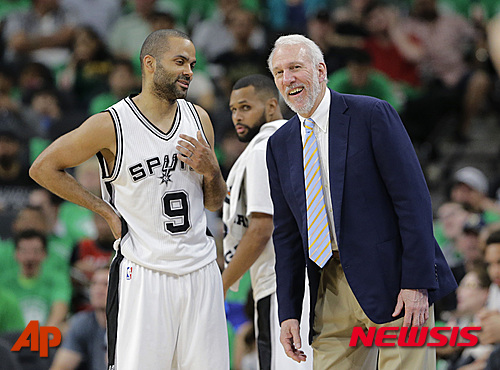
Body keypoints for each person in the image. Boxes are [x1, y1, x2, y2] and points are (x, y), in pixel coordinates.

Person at [29, 29, 229, 369]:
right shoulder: (111, 124)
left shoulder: (200, 119)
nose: (189, 71)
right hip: (144, 272)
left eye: (193, 64)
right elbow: (43, 167)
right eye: (179, 62)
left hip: (201, 270)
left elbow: (213, 203)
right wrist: (104, 210)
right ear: (149, 64)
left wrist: (212, 171)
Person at [265, 34, 457, 369]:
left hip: (394, 280)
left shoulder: (371, 114)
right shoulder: (279, 144)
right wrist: (289, 313)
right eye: (279, 72)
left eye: (296, 68)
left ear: (321, 70)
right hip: (328, 287)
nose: (288, 79)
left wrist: (416, 282)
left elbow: (412, 202)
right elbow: (286, 234)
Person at [222, 74, 312, 369]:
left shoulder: (264, 147)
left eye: (246, 107)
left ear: (272, 105)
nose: (237, 116)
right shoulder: (295, 138)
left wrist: (222, 284)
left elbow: (262, 226)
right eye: (233, 109)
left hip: (279, 284)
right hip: (302, 279)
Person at [50, 266, 109, 370]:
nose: (98, 289)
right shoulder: (83, 322)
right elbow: (60, 367)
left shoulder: (131, 325)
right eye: (94, 283)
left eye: (106, 284)